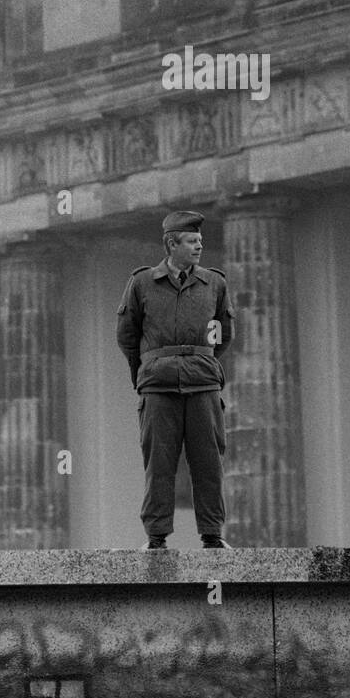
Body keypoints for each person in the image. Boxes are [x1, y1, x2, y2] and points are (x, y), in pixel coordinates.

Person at [116, 210, 235, 549]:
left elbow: (223, 335)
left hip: (203, 384)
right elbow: (127, 335)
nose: (200, 246)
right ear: (172, 244)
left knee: (209, 461)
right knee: (159, 462)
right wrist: (145, 373)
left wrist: (199, 361)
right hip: (158, 384)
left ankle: (212, 535)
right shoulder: (141, 283)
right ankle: (156, 537)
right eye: (192, 241)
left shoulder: (215, 283)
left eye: (200, 241)